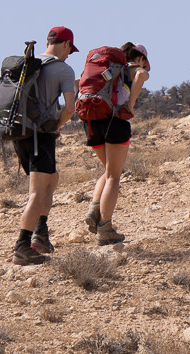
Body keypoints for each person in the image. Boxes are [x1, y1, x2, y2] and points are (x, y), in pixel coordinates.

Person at [14, 26, 80, 266]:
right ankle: (23, 246)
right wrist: (57, 126)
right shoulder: (63, 69)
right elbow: (70, 108)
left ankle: (41, 234)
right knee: (38, 191)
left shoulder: (28, 64)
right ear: (65, 45)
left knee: (51, 179)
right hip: (40, 135)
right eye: (70, 50)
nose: (69, 54)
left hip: (20, 134)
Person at [83, 42, 150, 246]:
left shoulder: (106, 69)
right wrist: (130, 104)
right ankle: (105, 228)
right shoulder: (132, 68)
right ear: (140, 58)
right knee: (114, 175)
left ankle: (94, 208)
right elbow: (141, 76)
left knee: (108, 169)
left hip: (91, 121)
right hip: (116, 121)